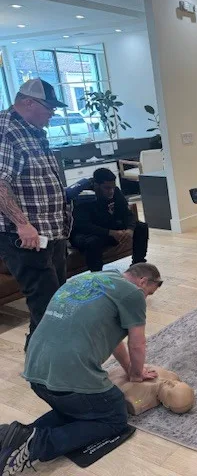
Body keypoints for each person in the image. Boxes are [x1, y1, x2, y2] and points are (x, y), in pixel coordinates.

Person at [0, 263, 163, 474]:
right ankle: (35, 444)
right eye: (149, 293)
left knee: (79, 411)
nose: (146, 298)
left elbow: (113, 340)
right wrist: (137, 375)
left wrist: (130, 369)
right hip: (68, 380)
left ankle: (12, 437)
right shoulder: (134, 293)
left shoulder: (86, 279)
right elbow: (137, 343)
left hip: (35, 372)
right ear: (143, 281)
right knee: (114, 418)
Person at [0, 78, 71, 349]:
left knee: (55, 302)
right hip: (26, 237)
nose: (52, 113)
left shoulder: (31, 130)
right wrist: (23, 224)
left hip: (51, 232)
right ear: (28, 102)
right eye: (49, 107)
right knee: (47, 306)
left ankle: (42, 358)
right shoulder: (7, 131)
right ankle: (47, 363)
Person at [70, 168, 149, 272]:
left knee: (141, 227)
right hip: (87, 233)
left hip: (109, 228)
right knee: (93, 242)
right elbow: (83, 226)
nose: (111, 191)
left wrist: (130, 229)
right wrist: (110, 232)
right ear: (96, 185)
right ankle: (97, 275)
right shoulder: (84, 197)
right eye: (107, 188)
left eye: (113, 187)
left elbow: (127, 214)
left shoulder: (115, 191)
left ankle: (137, 265)